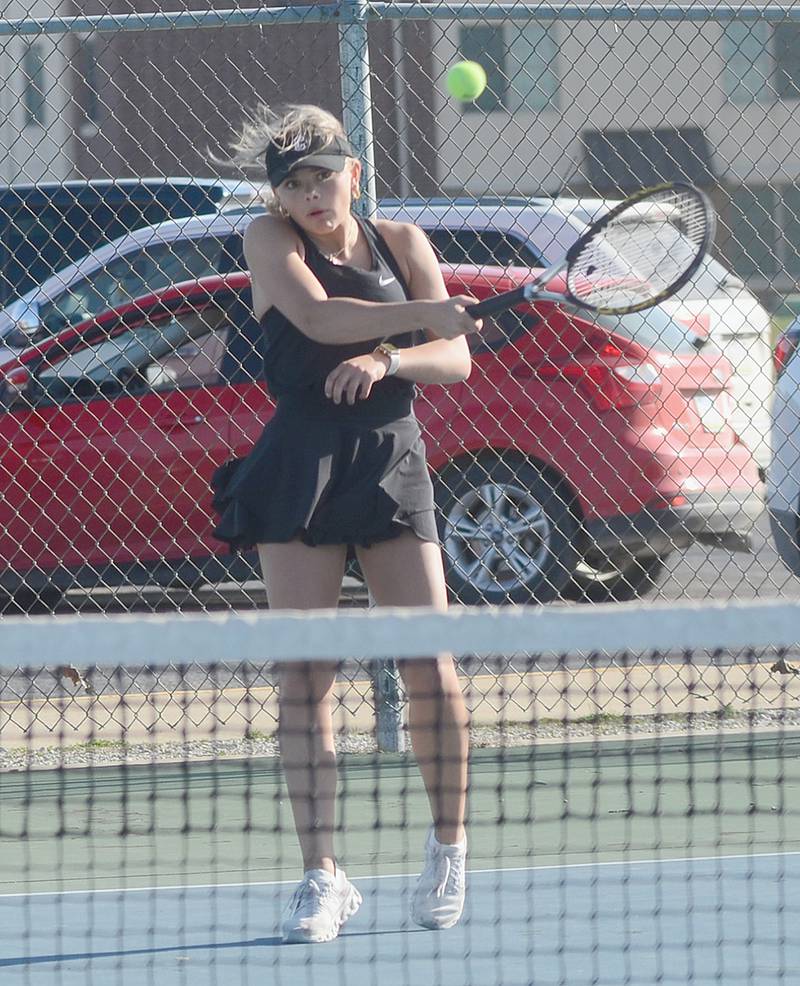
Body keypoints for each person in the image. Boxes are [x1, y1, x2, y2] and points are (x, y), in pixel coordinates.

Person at [211, 103, 482, 944]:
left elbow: (455, 362)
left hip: (392, 461)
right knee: (304, 678)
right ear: (280, 198)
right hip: (300, 462)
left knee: (430, 665)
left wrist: (394, 356)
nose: (314, 194)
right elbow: (322, 318)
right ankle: (322, 878)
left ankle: (448, 849)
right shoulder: (269, 243)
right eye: (295, 185)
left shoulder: (404, 242)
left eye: (325, 176)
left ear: (353, 173)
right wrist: (422, 318)